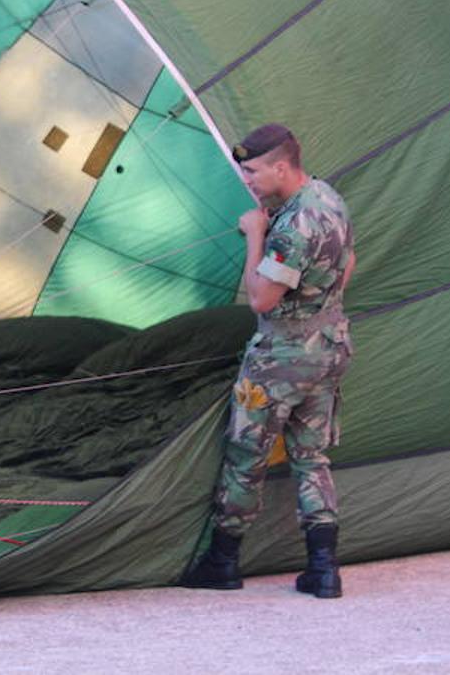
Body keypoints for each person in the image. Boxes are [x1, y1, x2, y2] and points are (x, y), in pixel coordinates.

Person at [182, 123, 356, 598]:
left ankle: (223, 561)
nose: (249, 181)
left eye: (254, 172)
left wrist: (255, 234)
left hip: (279, 359)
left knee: (245, 459)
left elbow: (260, 298)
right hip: (327, 350)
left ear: (282, 166)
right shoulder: (328, 199)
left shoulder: (290, 228)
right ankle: (324, 570)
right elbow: (351, 262)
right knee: (312, 458)